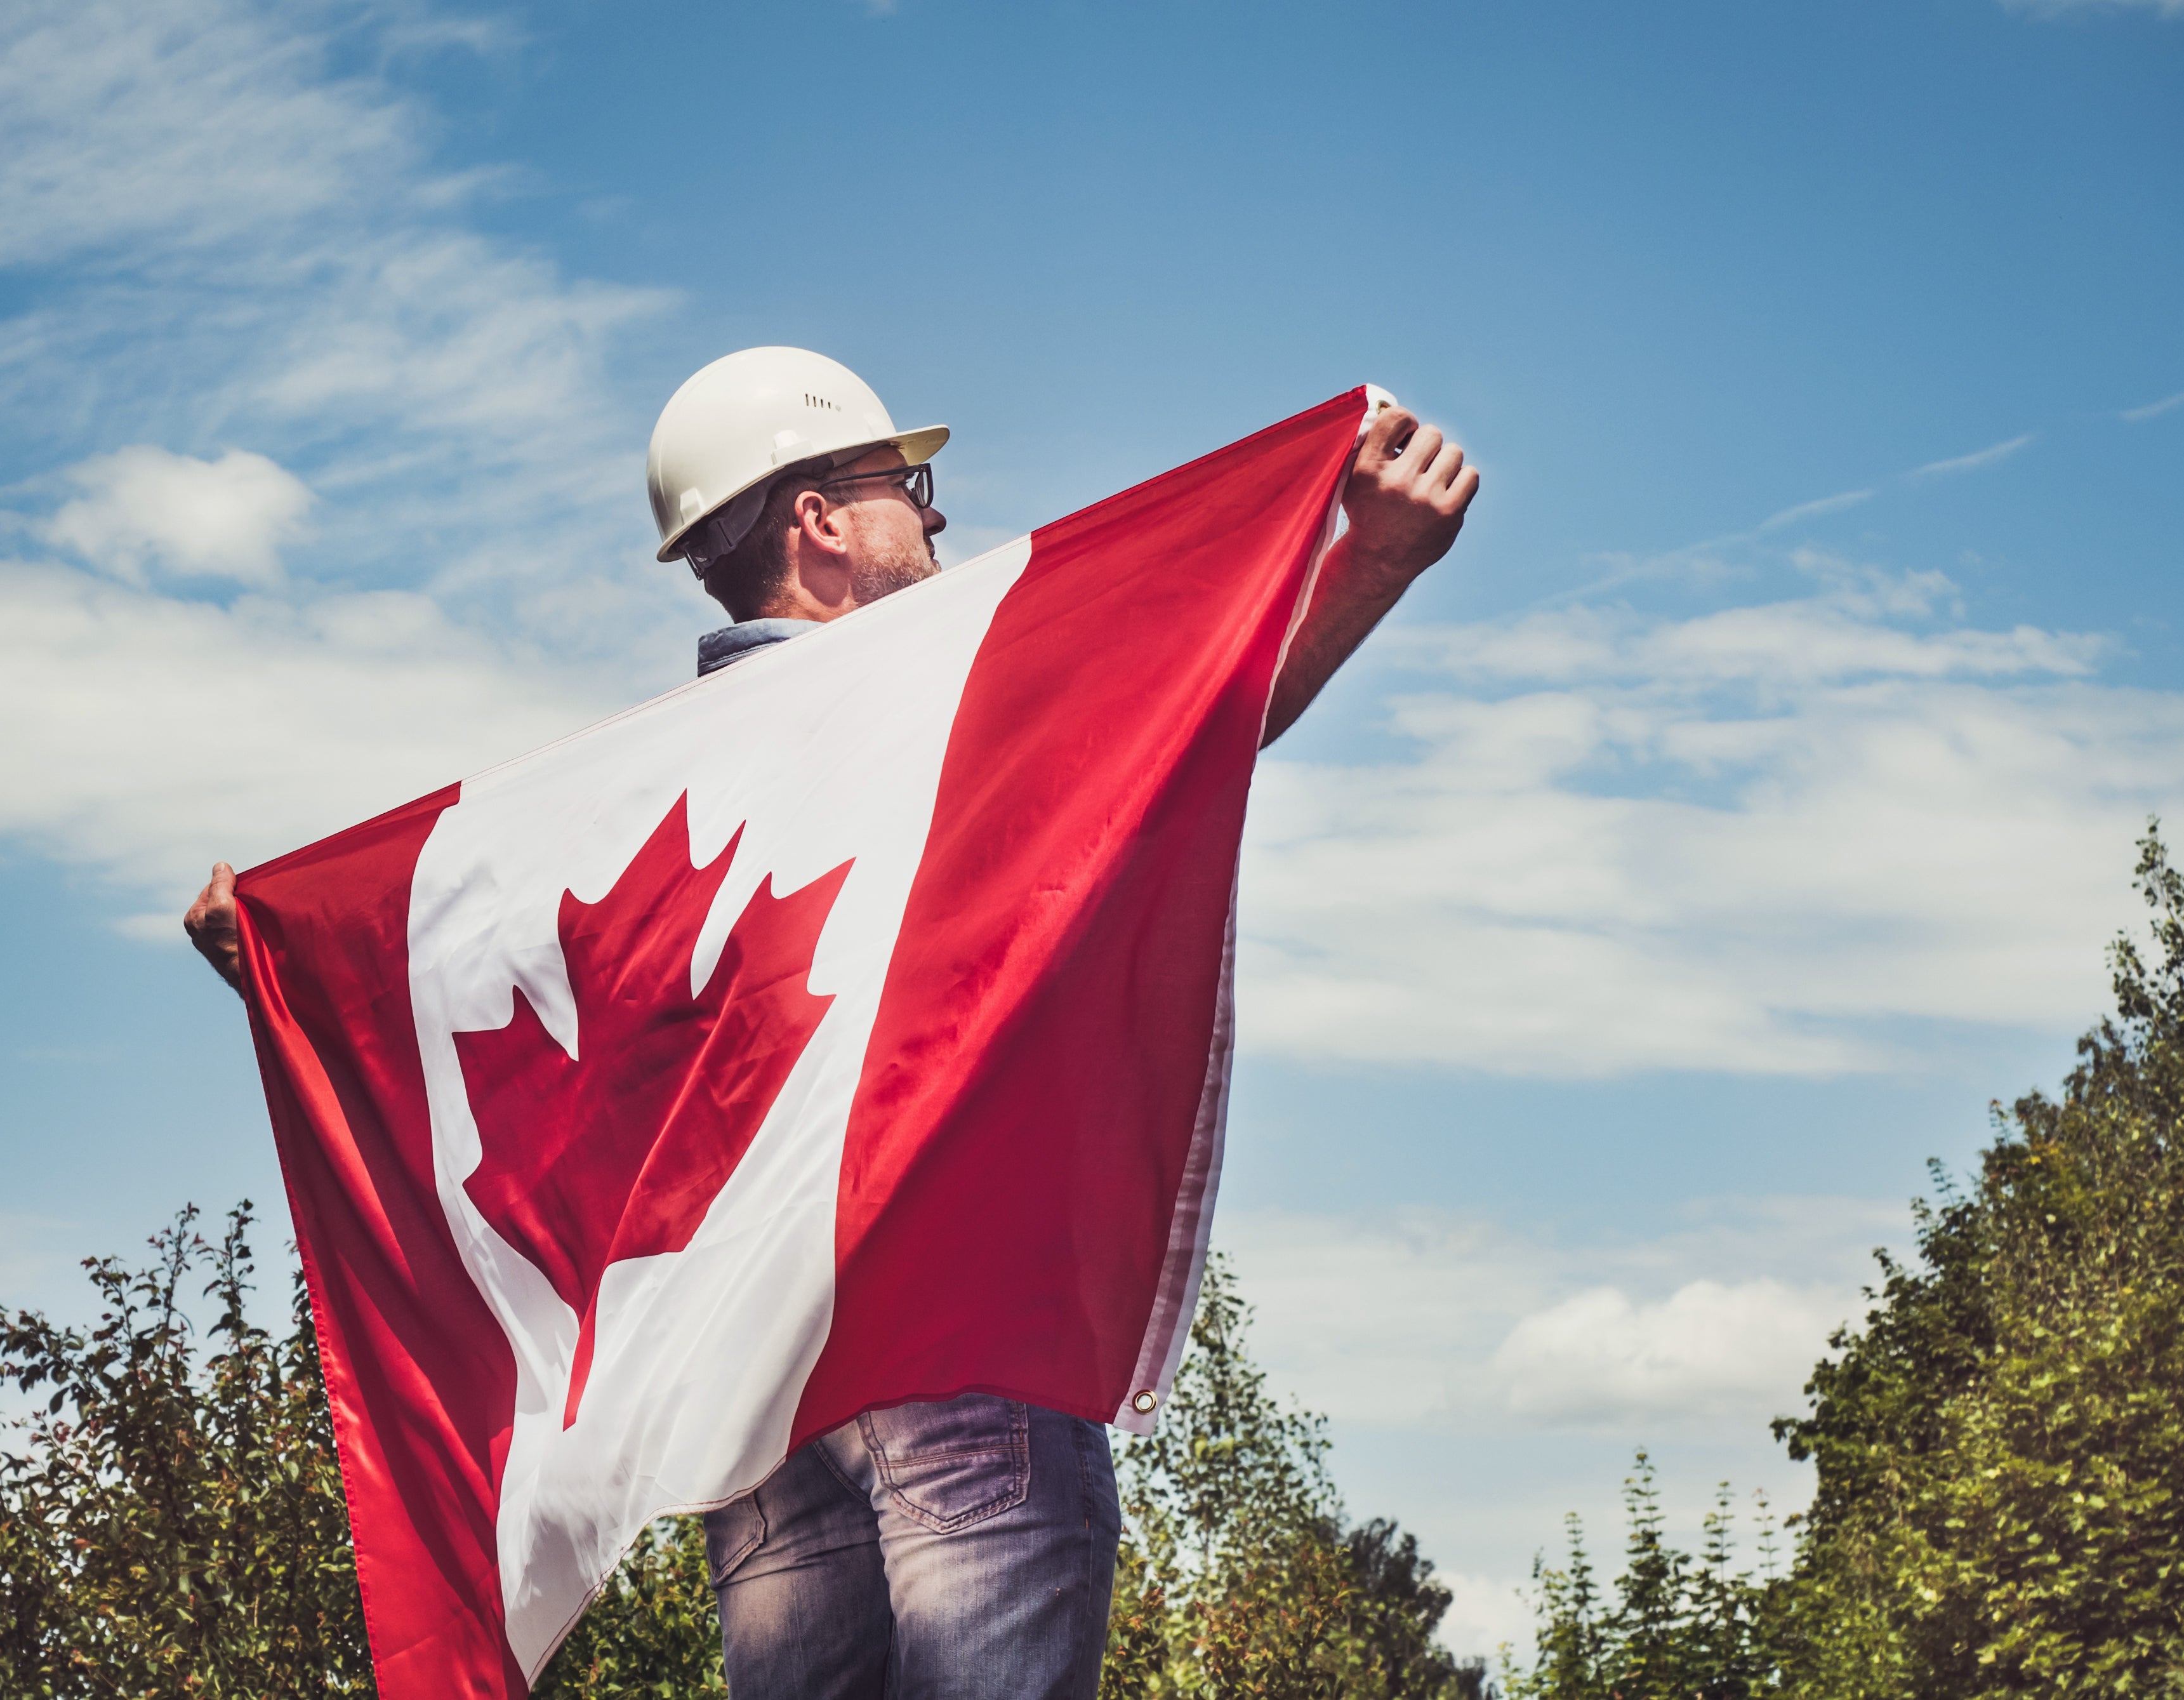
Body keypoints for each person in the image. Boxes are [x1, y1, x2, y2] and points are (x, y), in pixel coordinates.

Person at [183, 347, 1478, 1698]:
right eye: (904, 486)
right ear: (820, 522)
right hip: (961, 1356)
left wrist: (278, 969)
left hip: (762, 1421)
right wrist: (1373, 562)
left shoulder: (640, 810)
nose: (934, 517)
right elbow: (1193, 719)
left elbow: (468, 1052)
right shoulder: (943, 694)